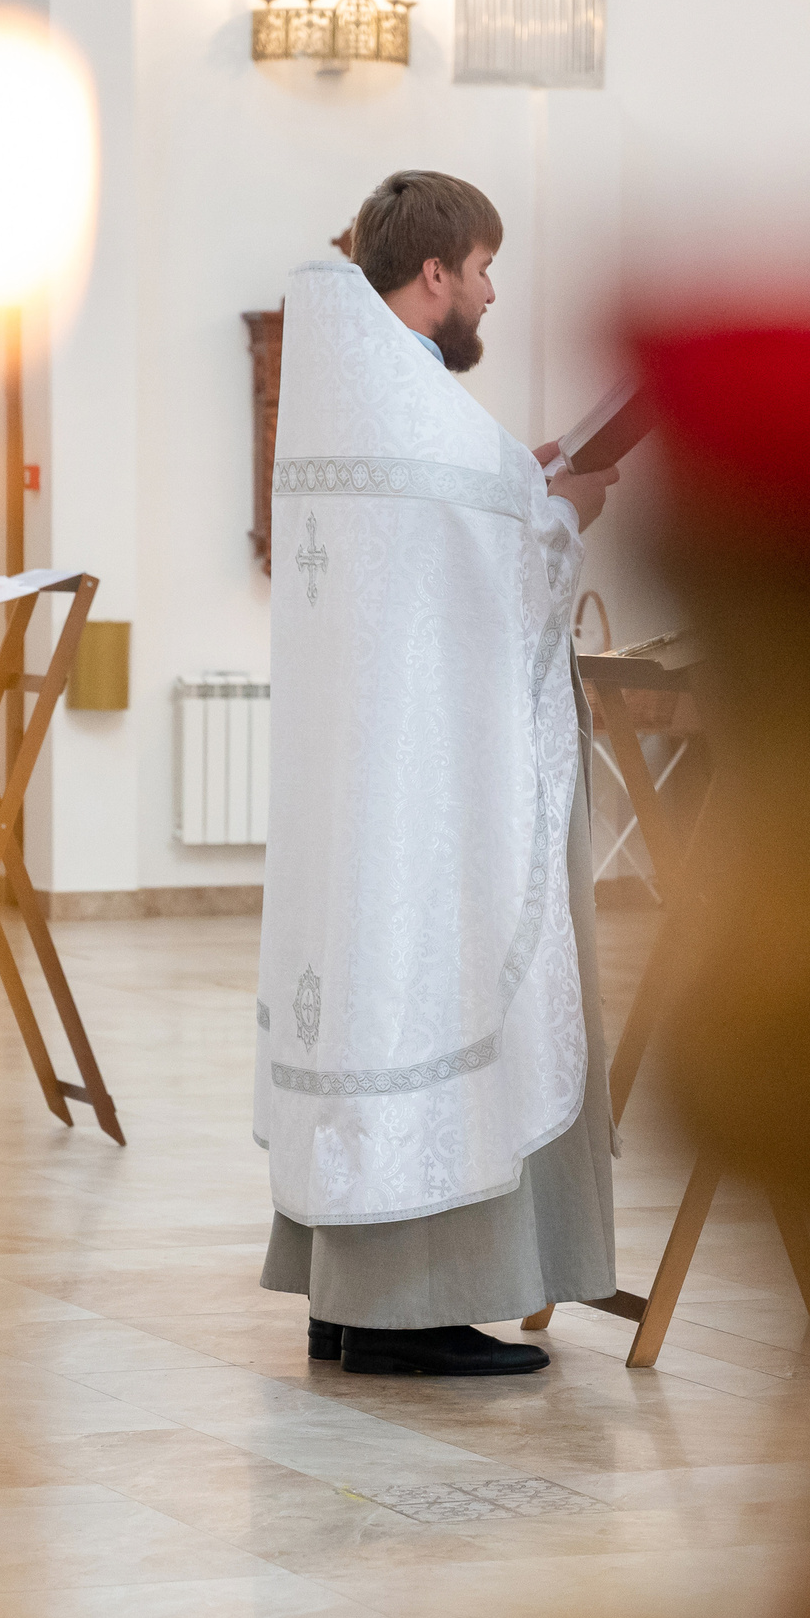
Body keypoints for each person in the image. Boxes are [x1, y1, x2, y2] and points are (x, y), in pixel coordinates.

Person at [256, 171, 623, 1376]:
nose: (491, 292)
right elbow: (508, 560)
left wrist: (527, 479)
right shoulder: (414, 405)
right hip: (432, 801)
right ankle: (410, 1307)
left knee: (376, 994)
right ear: (433, 275)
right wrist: (567, 507)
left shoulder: (365, 392)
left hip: (365, 790)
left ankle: (348, 1298)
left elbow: (449, 530)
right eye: (482, 270)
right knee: (438, 987)